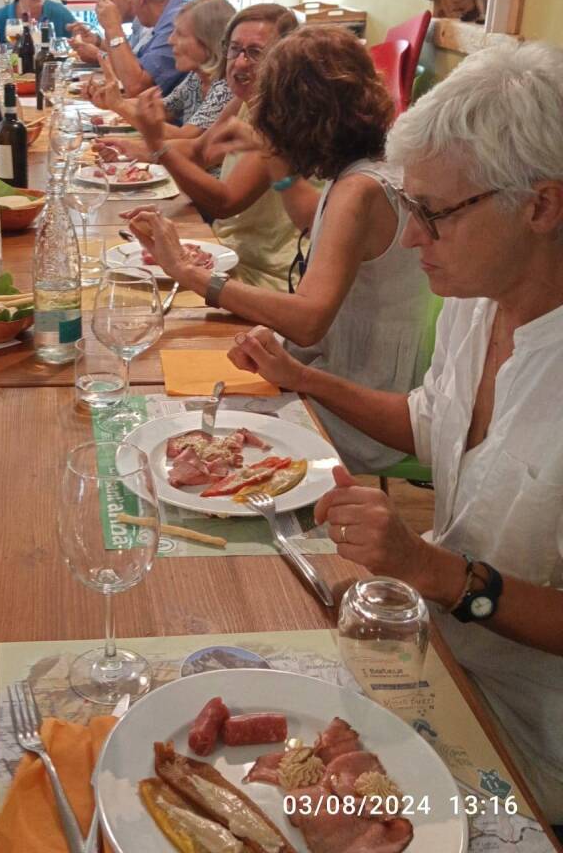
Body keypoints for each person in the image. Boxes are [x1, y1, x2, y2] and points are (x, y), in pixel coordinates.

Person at [227, 41, 563, 823]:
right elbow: (428, 421)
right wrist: (305, 380)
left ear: (543, 206)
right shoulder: (483, 299)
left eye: (436, 215)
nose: (411, 241)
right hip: (436, 656)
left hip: (529, 735)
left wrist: (436, 572)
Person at [129, 26, 429, 472]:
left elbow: (308, 322)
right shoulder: (372, 167)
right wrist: (276, 163)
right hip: (345, 369)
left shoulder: (358, 191)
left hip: (356, 397)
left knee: (167, 421)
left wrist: (191, 274)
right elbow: (314, 220)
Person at [122, 3, 305, 290]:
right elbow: (199, 152)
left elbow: (225, 202)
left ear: (286, 59)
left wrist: (157, 145)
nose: (240, 62)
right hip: (224, 253)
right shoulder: (245, 100)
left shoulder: (286, 117)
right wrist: (143, 144)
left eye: (255, 53)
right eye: (234, 49)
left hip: (266, 276)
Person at [88, 0, 236, 158]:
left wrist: (119, 104)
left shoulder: (226, 88)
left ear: (209, 42)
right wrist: (110, 99)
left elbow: (186, 138)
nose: (171, 40)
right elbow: (162, 109)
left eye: (180, 34)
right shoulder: (197, 77)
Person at [96, 0, 184, 96]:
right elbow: (123, 72)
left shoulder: (177, 23)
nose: (131, 1)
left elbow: (135, 86)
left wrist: (113, 27)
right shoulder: (166, 20)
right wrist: (108, 27)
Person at [68, 0, 149, 63]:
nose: (108, 5)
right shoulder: (138, 25)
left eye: (111, 0)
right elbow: (127, 53)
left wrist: (99, 56)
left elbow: (136, 71)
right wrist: (96, 41)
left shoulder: (149, 26)